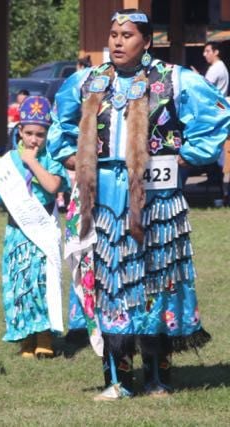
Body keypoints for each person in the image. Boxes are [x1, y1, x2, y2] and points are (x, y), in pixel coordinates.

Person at [48, 9, 230, 400]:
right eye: (113, 34)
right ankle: (116, 379)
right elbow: (58, 125)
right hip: (104, 199)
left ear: (145, 41)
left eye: (126, 35)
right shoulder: (88, 80)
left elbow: (216, 116)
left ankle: (157, 379)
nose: (116, 41)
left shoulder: (173, 79)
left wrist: (187, 155)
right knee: (111, 282)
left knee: (156, 282)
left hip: (156, 200)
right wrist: (69, 155)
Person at [0, 96, 70, 358]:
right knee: (20, 283)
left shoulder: (51, 157)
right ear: (19, 131)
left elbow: (53, 187)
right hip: (17, 231)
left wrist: (32, 162)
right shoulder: (7, 163)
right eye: (29, 133)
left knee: (42, 281)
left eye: (40, 134)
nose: (34, 139)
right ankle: (25, 337)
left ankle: (45, 336)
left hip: (42, 228)